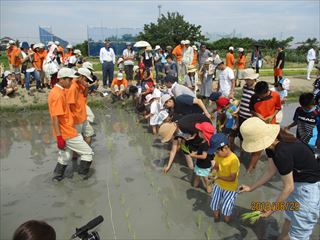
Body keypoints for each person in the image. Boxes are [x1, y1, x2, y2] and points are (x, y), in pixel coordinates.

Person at [239, 117, 320, 240]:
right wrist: (251, 188)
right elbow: (270, 171)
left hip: (308, 190)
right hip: (297, 184)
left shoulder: (282, 152)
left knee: (299, 235)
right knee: (289, 217)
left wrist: (271, 211)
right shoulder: (273, 145)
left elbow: (288, 187)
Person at [48, 68, 94, 181]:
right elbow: (55, 118)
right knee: (88, 153)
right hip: (68, 132)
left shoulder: (60, 90)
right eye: (70, 80)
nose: (72, 82)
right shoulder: (58, 95)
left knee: (65, 156)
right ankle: (81, 178)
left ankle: (57, 177)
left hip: (67, 130)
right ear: (62, 79)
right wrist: (59, 137)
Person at [248, 81, 281, 172]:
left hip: (271, 126)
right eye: (258, 95)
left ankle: (275, 167)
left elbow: (278, 108)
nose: (259, 97)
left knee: (272, 148)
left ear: (267, 91)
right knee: (257, 148)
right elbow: (251, 109)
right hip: (258, 125)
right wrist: (257, 114)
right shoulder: (254, 97)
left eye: (261, 95)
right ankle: (251, 168)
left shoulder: (275, 95)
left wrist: (272, 116)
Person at [209, 133, 240, 223]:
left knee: (226, 209)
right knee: (214, 204)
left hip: (230, 188)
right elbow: (216, 167)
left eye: (217, 151)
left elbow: (232, 178)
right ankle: (217, 218)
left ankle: (227, 222)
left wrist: (218, 176)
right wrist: (213, 174)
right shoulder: (218, 156)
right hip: (218, 185)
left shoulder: (234, 160)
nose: (216, 154)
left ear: (225, 147)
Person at [67, 67, 95, 146]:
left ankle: (86, 152)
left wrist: (86, 86)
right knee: (77, 139)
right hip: (76, 118)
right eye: (86, 79)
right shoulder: (72, 87)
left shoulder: (80, 84)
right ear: (81, 76)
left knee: (89, 134)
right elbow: (69, 105)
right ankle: (77, 156)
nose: (86, 81)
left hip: (83, 115)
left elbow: (85, 95)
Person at [237, 69, 258, 154]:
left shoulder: (257, 89)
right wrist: (238, 109)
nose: (246, 81)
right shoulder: (245, 86)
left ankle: (251, 151)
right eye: (245, 79)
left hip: (250, 116)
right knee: (241, 134)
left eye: (248, 79)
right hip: (241, 114)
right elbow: (242, 99)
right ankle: (242, 152)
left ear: (253, 79)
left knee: (251, 135)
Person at [192, 122, 215, 193]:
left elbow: (204, 156)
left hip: (204, 165)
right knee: (197, 175)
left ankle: (209, 191)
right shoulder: (204, 141)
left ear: (203, 133)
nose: (198, 132)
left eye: (200, 131)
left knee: (206, 179)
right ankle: (194, 187)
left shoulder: (205, 144)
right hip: (200, 164)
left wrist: (194, 156)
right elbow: (200, 151)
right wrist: (195, 152)